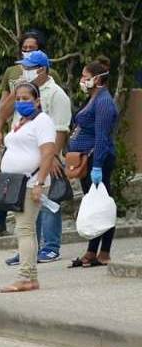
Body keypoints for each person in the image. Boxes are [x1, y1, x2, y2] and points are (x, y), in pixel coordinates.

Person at [0, 51, 72, 265]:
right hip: (24, 157)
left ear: (41, 69)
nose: (24, 71)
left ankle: (50, 246)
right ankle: (29, 249)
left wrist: (54, 157)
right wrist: (16, 93)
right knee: (28, 211)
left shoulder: (56, 94)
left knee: (48, 200)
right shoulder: (22, 93)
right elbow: (4, 112)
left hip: (46, 155)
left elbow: (61, 128)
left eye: (28, 68)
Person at [0, 30, 61, 238]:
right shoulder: (12, 73)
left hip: (42, 140)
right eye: (25, 48)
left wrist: (56, 152)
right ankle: (0, 222)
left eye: (32, 48)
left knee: (41, 193)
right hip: (17, 133)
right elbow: (4, 106)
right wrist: (0, 128)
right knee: (5, 183)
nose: (28, 52)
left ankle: (47, 243)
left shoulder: (52, 78)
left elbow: (60, 120)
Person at [0, 83, 57, 293]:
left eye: (26, 98)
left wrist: (40, 183)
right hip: (15, 182)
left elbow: (48, 152)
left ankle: (24, 277)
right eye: (19, 98)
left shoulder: (42, 121)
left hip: (31, 182)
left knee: (24, 229)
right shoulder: (20, 121)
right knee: (26, 230)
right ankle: (30, 276)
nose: (21, 102)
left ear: (37, 101)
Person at [68, 58, 119, 268]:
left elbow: (102, 137)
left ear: (97, 79)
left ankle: (104, 252)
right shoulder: (93, 98)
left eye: (85, 77)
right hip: (87, 160)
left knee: (102, 206)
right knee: (93, 206)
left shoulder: (104, 101)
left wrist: (97, 164)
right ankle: (91, 250)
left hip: (97, 160)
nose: (82, 81)